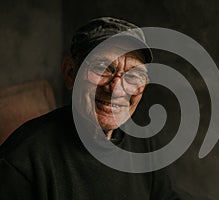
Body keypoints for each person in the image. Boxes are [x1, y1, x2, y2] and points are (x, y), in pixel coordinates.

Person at [0, 17, 180, 199]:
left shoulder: (143, 142)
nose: (116, 88)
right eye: (102, 67)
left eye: (133, 75)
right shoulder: (22, 160)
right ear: (70, 73)